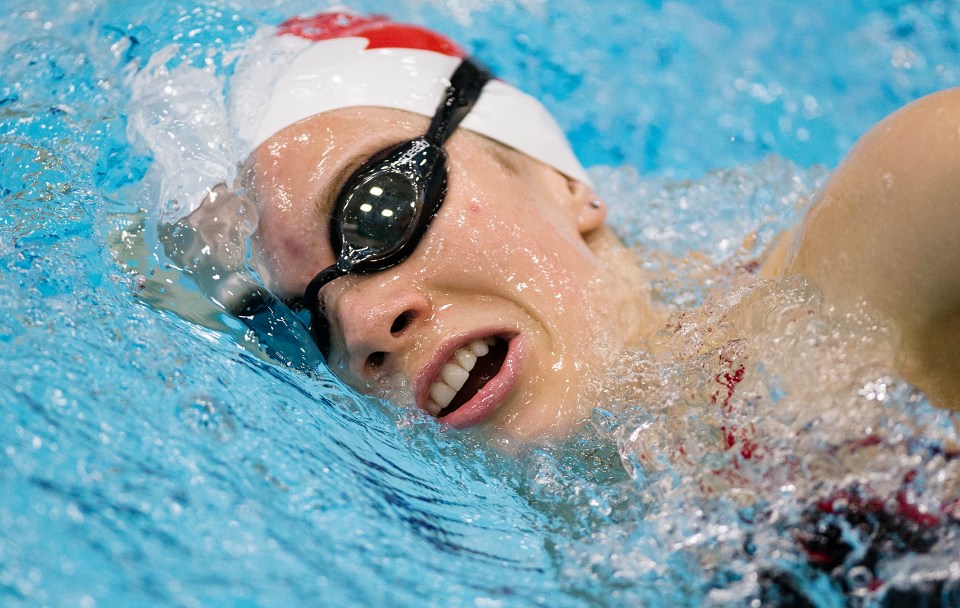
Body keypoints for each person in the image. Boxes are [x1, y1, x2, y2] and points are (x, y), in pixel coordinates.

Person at [163, 11, 960, 446]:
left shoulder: (870, 264)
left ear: (561, 179)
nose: (364, 324)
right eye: (308, 324)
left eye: (377, 209)